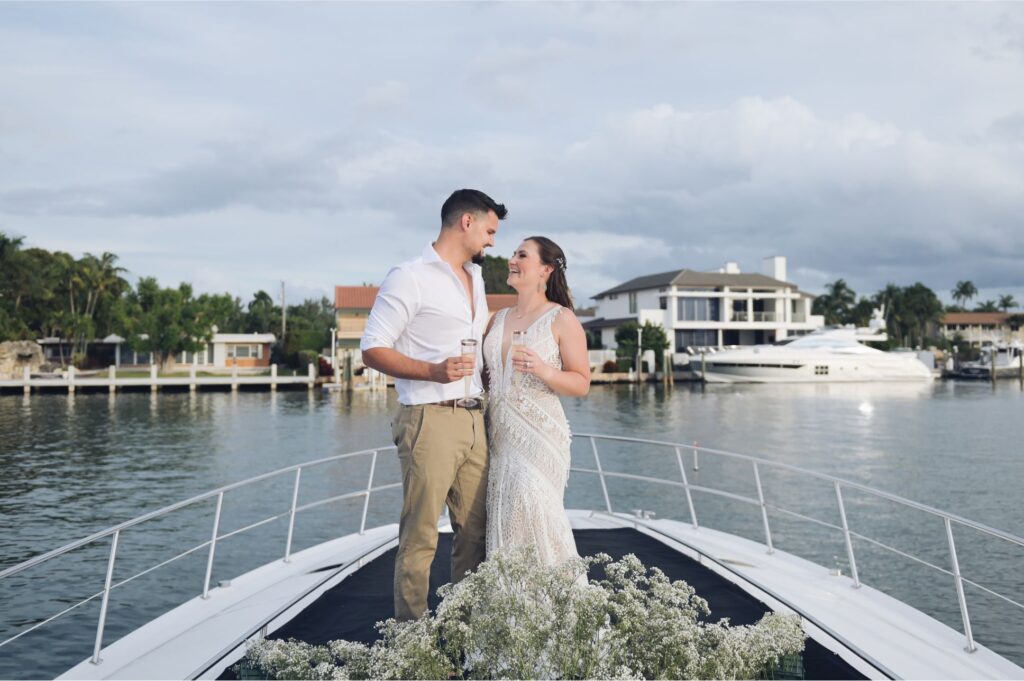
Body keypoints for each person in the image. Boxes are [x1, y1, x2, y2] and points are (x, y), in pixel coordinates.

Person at [361, 189, 507, 621]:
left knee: (475, 535)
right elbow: (372, 349)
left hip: (475, 419)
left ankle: (463, 632)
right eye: (490, 230)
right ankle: (412, 643)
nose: (493, 242)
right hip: (428, 418)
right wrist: (433, 371)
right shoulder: (408, 276)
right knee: (421, 535)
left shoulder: (476, 278)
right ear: (466, 222)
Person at [482, 236, 591, 565]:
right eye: (513, 254)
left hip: (539, 435)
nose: (511, 260)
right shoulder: (496, 319)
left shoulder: (562, 319)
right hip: (498, 434)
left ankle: (556, 606)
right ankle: (510, 607)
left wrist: (543, 369)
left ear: (545, 269)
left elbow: (582, 382)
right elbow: (490, 376)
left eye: (521, 255)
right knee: (504, 519)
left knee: (534, 512)